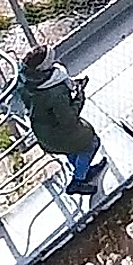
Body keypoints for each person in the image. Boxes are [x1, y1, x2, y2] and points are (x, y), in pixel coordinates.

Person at [12, 46, 106, 200]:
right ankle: (78, 180)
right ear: (45, 67)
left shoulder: (25, 81)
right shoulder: (55, 91)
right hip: (58, 134)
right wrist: (79, 96)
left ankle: (82, 170)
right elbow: (68, 120)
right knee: (92, 143)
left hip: (43, 132)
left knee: (71, 149)